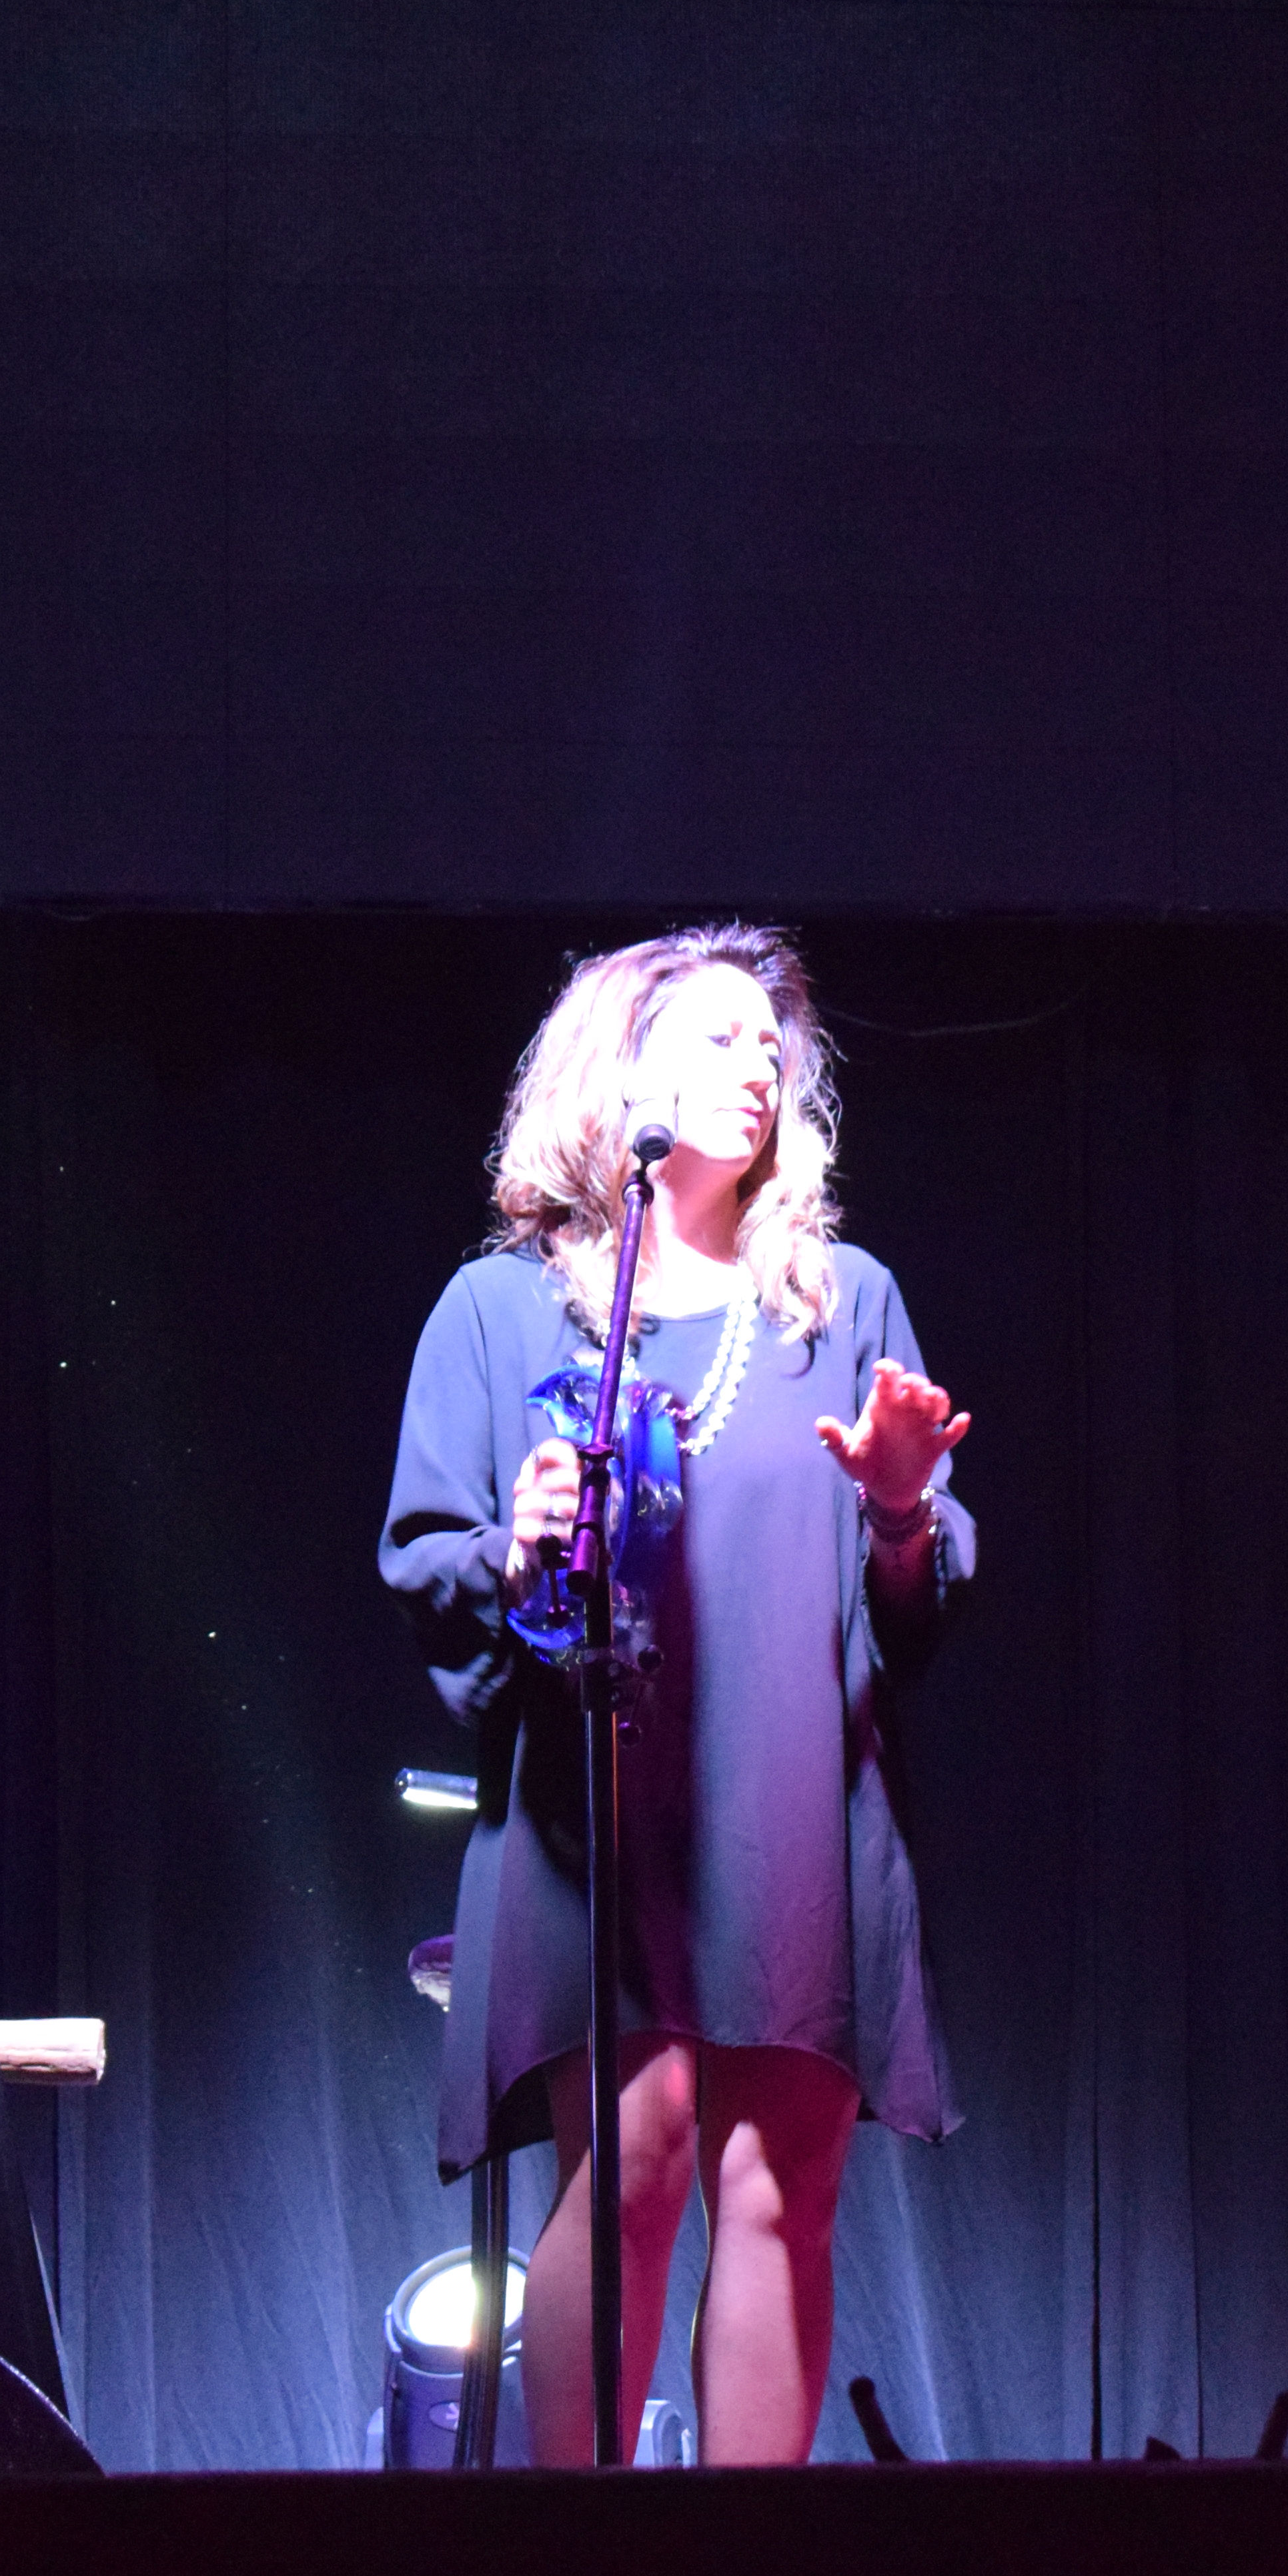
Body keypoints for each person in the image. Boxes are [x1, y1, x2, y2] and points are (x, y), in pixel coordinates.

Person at [382, 922, 974, 2467]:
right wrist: (517, 1545)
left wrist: (905, 1507)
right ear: (615, 1079)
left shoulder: (843, 1303)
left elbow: (915, 1600)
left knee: (784, 2184)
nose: (759, 1061)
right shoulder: (505, 1311)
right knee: (633, 2155)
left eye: (771, 1044)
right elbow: (429, 1554)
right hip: (605, 1804)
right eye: (716, 1036)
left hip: (794, 1795)